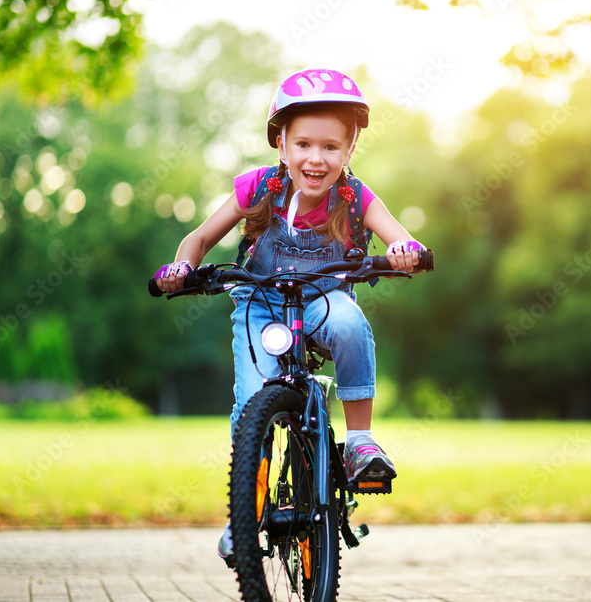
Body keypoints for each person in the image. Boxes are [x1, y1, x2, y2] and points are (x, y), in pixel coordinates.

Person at [152, 68, 426, 564]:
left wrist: (404, 249)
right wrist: (183, 266)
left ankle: (360, 442)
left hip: (324, 298)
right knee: (252, 403)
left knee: (348, 323)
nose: (315, 158)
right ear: (281, 144)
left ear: (349, 150)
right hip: (259, 306)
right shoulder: (257, 187)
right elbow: (198, 238)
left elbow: (397, 235)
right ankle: (246, 513)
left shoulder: (355, 198)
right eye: (303, 144)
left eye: (329, 147)